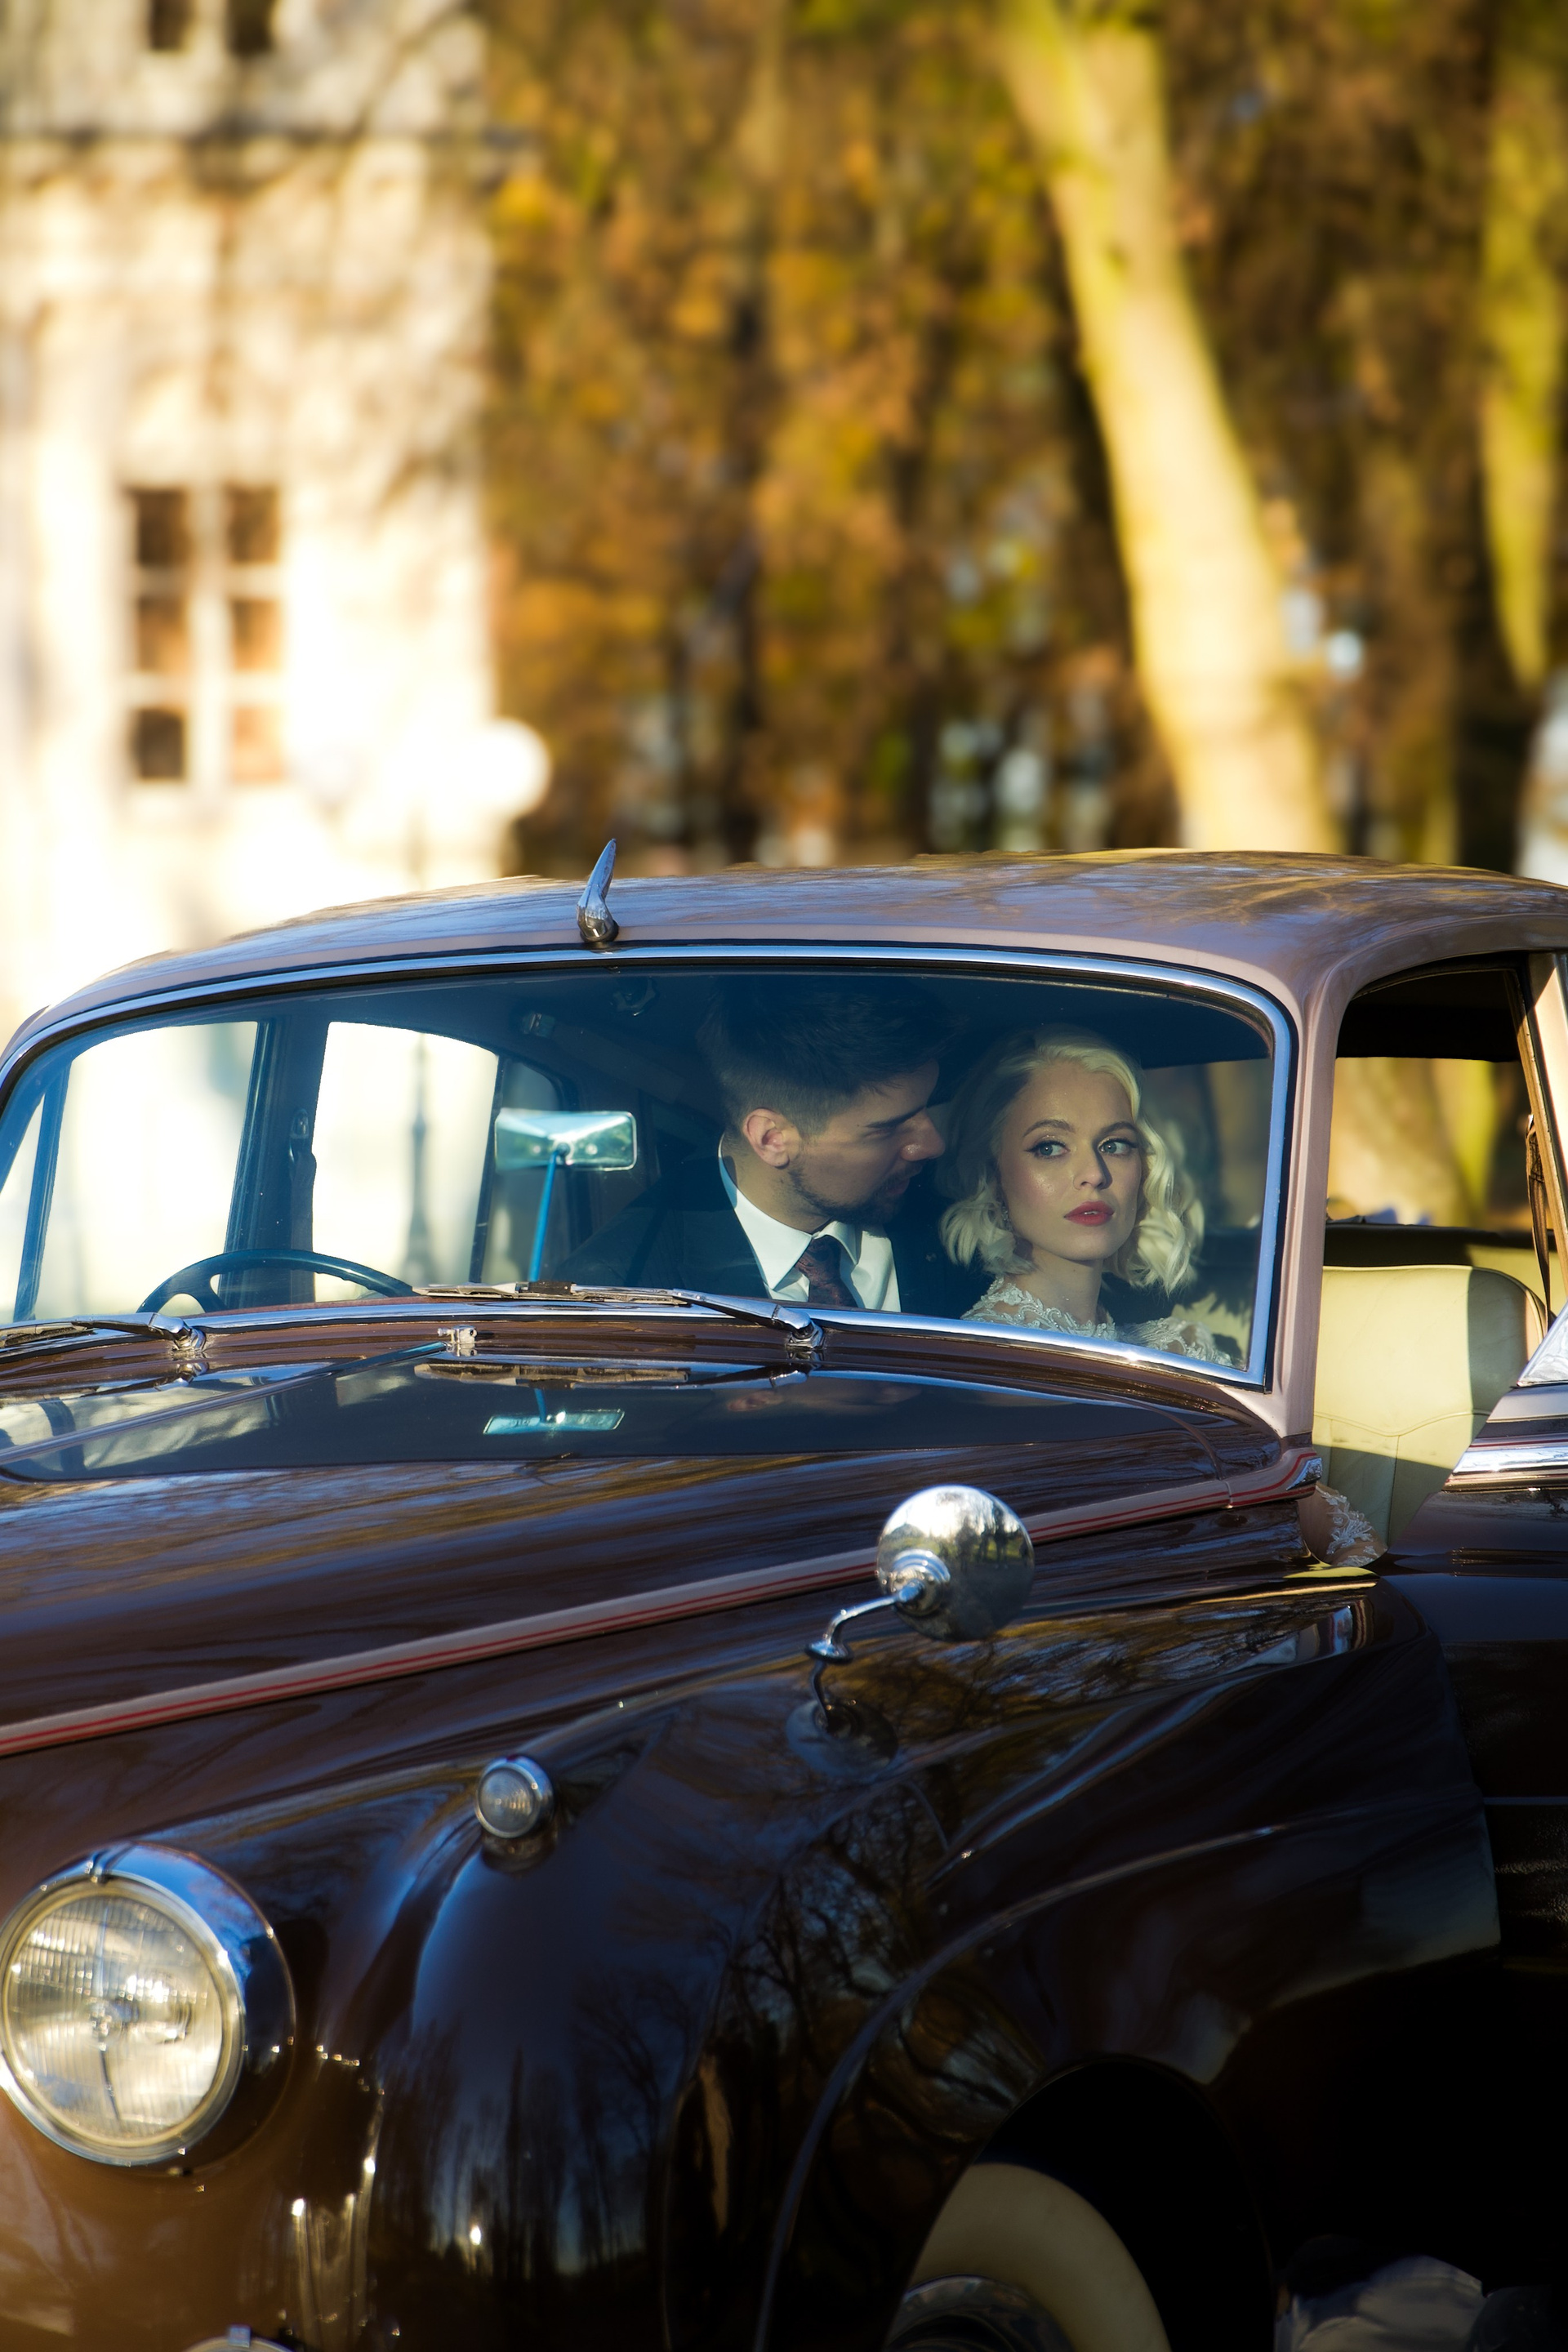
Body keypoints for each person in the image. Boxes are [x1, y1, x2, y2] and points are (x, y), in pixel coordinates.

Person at [938, 1026, 1379, 1566]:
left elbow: (1321, 1518)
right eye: (1049, 1147)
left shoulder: (1179, 1347)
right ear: (993, 1176)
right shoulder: (980, 1366)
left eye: (1115, 1145)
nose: (1094, 1174)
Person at [560, 978, 981, 1316]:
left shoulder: (965, 1216)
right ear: (771, 1139)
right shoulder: (626, 1290)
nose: (932, 1145)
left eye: (927, 1108)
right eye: (887, 1130)